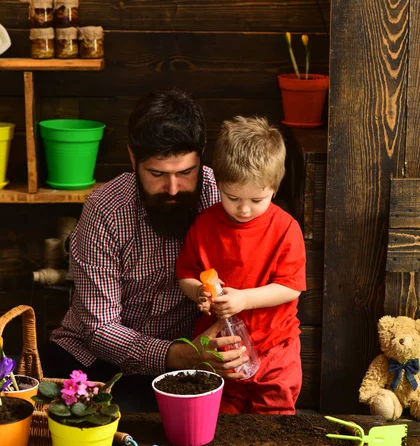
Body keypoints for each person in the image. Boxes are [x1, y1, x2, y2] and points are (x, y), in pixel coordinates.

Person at [43, 90, 248, 412]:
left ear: (201, 156)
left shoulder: (226, 198)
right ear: (131, 158)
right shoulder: (105, 210)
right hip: (94, 358)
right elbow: (99, 328)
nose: (173, 188)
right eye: (156, 174)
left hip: (194, 363)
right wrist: (179, 354)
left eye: (185, 172)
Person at [176, 116, 306, 414]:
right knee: (221, 416)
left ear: (275, 188)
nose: (244, 209)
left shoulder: (285, 228)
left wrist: (244, 299)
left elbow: (290, 287)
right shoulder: (205, 225)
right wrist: (199, 293)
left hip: (276, 346)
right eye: (232, 197)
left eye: (257, 199)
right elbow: (185, 274)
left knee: (274, 417)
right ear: (217, 182)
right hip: (222, 348)